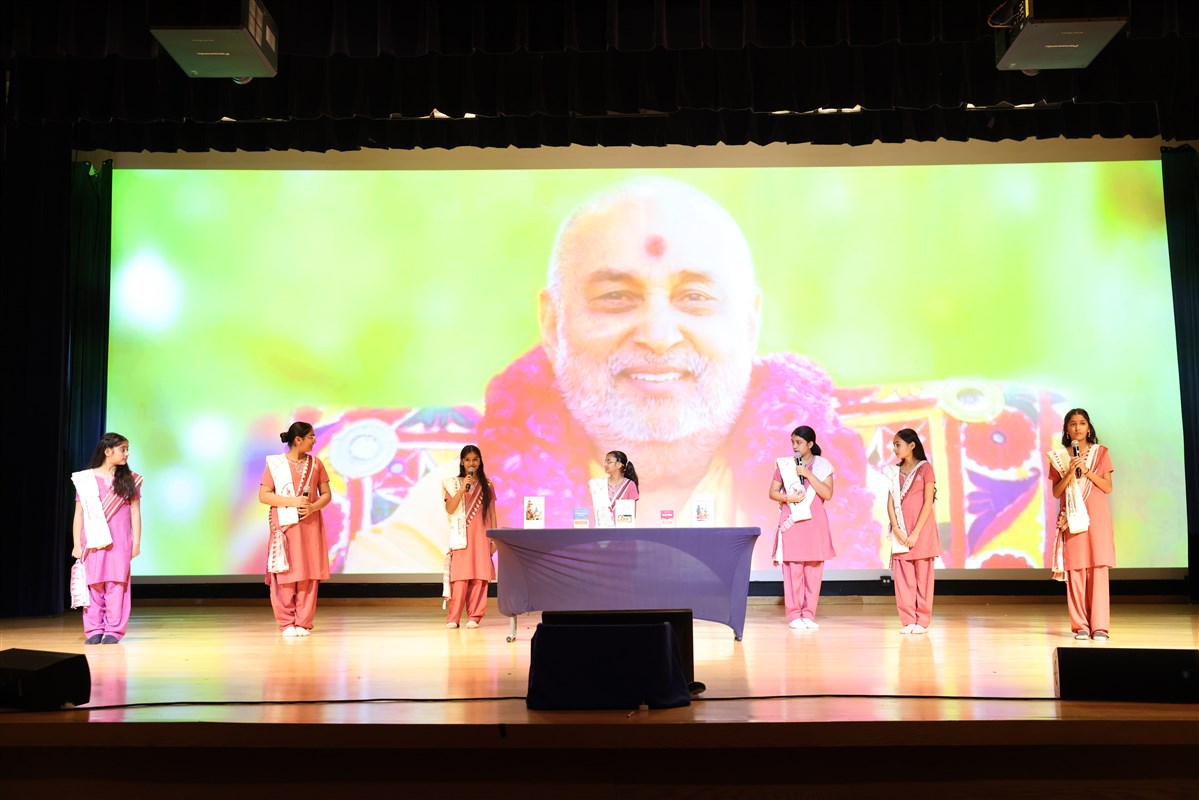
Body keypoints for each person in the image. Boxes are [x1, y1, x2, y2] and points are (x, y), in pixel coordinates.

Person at [475, 177, 877, 566]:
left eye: (695, 296)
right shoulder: (468, 510)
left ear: (750, 323)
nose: (658, 336)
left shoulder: (866, 510)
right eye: (616, 296)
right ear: (552, 323)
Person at [1046, 408, 1115, 640]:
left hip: (1097, 517)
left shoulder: (1100, 453)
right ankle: (1081, 626)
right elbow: (1056, 492)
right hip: (1073, 516)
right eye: (1073, 423)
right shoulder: (1058, 457)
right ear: (1066, 429)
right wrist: (1069, 473)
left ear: (1089, 427)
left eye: (1082, 423)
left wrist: (1086, 471)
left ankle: (1100, 626)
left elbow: (1107, 487)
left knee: (1098, 568)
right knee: (1076, 569)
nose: (1078, 427)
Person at [259, 421, 332, 637]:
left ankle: (303, 622)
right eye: (311, 437)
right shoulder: (276, 465)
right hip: (285, 524)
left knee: (308, 572)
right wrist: (293, 502)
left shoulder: (316, 464)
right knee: (286, 571)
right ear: (298, 440)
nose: (315, 441)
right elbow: (264, 495)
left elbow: (326, 495)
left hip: (309, 523)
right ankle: (286, 622)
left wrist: (312, 507)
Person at [71, 432, 144, 644]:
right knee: (94, 584)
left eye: (127, 449)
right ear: (107, 451)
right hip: (91, 540)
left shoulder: (131, 480)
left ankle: (113, 630)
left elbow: (135, 512)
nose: (126, 454)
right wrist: (76, 544)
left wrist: (136, 542)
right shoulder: (86, 479)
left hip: (120, 542)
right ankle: (94, 630)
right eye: (123, 449)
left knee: (117, 585)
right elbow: (79, 514)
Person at [767, 426, 836, 629]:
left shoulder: (823, 466)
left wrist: (807, 474)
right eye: (793, 442)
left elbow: (827, 494)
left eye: (799, 442)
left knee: (813, 573)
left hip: (815, 524)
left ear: (810, 444)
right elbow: (772, 492)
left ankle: (808, 614)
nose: (795, 446)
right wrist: (788, 497)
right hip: (792, 523)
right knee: (793, 572)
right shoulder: (785, 465)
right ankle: (794, 615)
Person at [886, 428, 939, 634]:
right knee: (903, 579)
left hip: (922, 531)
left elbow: (928, 502)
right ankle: (908, 620)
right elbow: (890, 503)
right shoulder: (894, 472)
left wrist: (915, 533)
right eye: (894, 445)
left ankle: (922, 621)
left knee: (923, 578)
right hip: (901, 531)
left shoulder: (925, 469)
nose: (894, 448)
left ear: (912, 445)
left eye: (897, 444)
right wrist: (897, 529)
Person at [442, 445, 497, 629]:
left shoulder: (487, 485)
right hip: (461, 536)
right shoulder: (452, 484)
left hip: (481, 536)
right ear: (462, 462)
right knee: (460, 577)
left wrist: (494, 539)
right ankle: (453, 618)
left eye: (475, 459)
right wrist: (461, 490)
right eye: (467, 460)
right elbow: (450, 509)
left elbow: (492, 513)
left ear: (480, 461)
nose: (471, 463)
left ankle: (475, 616)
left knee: (479, 576)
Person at [589, 450, 640, 527]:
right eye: (605, 462)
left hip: (623, 530)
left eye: (608, 462)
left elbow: (632, 514)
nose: (605, 464)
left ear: (619, 465)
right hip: (602, 530)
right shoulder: (598, 484)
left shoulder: (630, 485)